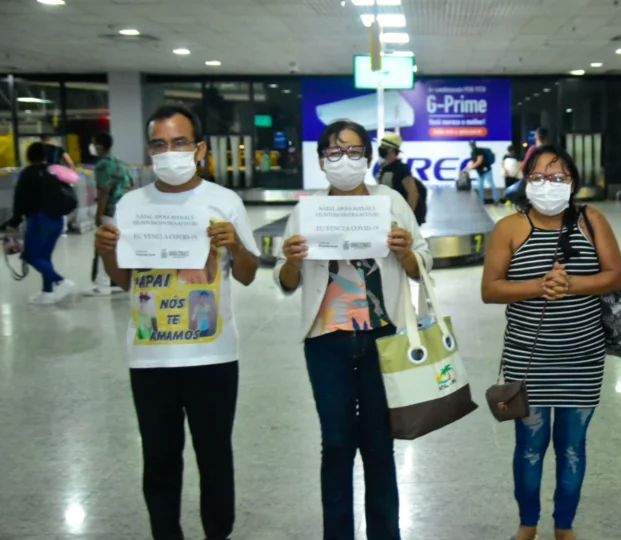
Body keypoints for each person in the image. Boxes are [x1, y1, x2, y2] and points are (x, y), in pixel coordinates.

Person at [93, 105, 260, 540]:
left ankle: (217, 532)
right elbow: (125, 280)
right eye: (160, 145)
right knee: (160, 458)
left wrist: (234, 245)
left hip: (213, 354)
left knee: (214, 456)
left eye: (180, 143)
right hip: (149, 355)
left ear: (199, 149)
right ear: (150, 152)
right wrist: (109, 252)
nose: (170, 153)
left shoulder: (225, 202)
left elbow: (246, 274)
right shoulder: (131, 205)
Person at [275, 120, 431, 540]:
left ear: (368, 155)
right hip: (326, 342)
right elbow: (287, 282)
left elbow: (422, 261)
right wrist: (290, 261)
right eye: (334, 152)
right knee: (338, 444)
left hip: (385, 340)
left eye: (354, 150)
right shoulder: (306, 212)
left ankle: (386, 533)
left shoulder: (392, 202)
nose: (345, 160)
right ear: (321, 159)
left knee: (380, 446)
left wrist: (406, 255)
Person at [481, 145, 621, 540]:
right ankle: (528, 523)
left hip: (582, 357)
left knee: (573, 447)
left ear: (573, 183)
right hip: (528, 361)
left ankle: (564, 526)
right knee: (529, 446)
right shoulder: (509, 229)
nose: (549, 185)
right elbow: (490, 289)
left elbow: (616, 277)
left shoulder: (591, 220)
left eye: (558, 177)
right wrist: (540, 286)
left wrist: (572, 284)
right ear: (525, 182)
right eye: (539, 177)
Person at [2, 142, 75, 304]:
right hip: (57, 220)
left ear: (28, 157)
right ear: (45, 156)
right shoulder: (54, 171)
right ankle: (47, 292)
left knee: (31, 256)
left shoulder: (29, 173)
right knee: (44, 256)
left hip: (39, 220)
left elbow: (20, 200)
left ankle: (60, 281)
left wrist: (14, 221)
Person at [85, 132, 132, 296]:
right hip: (124, 209)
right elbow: (131, 183)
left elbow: (104, 190)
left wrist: (99, 214)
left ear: (99, 145)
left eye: (93, 142)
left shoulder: (102, 165)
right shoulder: (119, 162)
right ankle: (118, 280)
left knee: (105, 246)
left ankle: (102, 284)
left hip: (110, 211)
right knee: (119, 246)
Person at [376, 132, 426, 225]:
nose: (380, 148)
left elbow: (413, 193)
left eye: (383, 146)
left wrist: (407, 216)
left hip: (399, 215)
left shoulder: (401, 169)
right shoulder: (383, 167)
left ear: (391, 149)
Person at [463, 139, 498, 204]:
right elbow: (473, 162)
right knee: (480, 187)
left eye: (473, 144)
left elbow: (479, 162)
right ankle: (481, 201)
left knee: (491, 184)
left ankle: (496, 199)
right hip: (480, 172)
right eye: (471, 145)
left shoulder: (479, 151)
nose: (472, 146)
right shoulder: (472, 152)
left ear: (475, 144)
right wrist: (467, 168)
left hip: (487, 170)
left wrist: (470, 168)